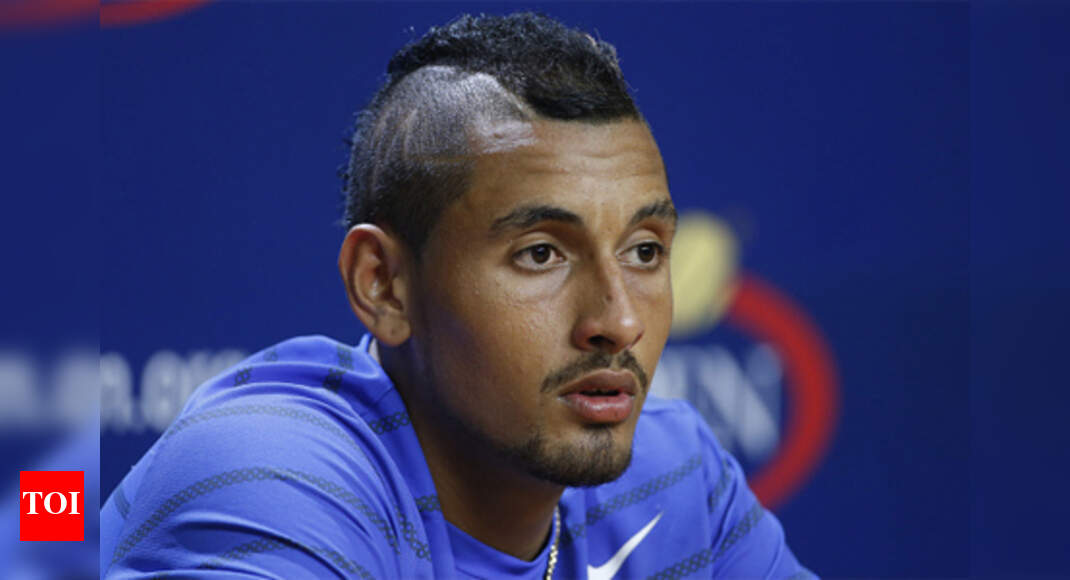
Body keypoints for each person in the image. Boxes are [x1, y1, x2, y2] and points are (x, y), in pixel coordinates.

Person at [101, 13, 812, 579]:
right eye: (541, 254)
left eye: (645, 252)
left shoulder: (676, 474)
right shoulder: (273, 477)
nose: (619, 321)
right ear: (383, 285)